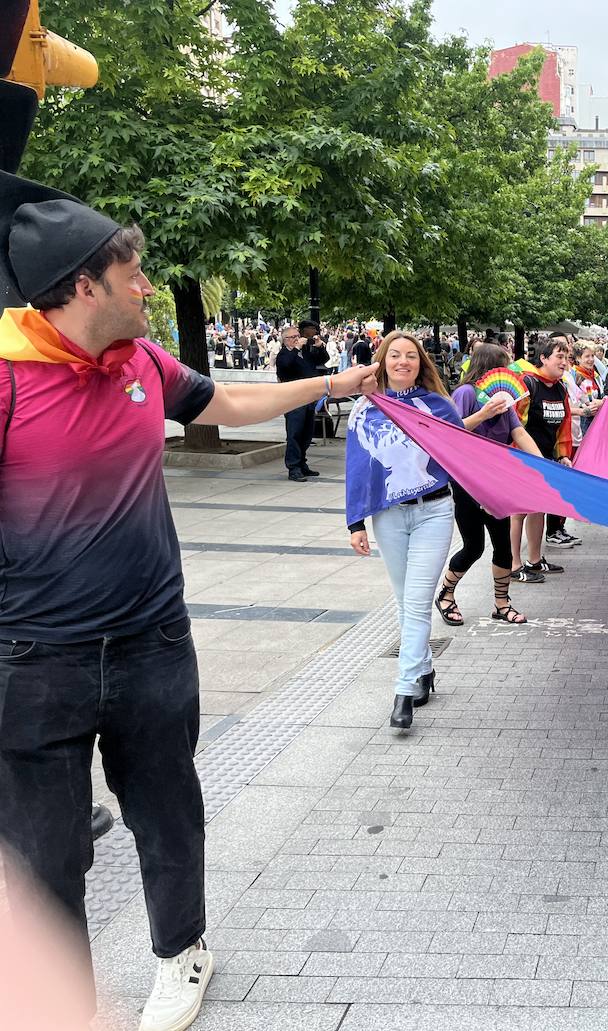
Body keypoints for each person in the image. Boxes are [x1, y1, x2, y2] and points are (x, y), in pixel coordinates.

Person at [0, 172, 378, 1031]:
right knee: (45, 853)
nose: (147, 285)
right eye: (132, 272)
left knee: (168, 811)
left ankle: (183, 954)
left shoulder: (142, 362)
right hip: (34, 659)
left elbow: (226, 399)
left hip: (151, 643)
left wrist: (330, 385)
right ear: (82, 286)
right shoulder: (9, 379)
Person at [345, 331, 458, 731]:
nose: (403, 362)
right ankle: (424, 669)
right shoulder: (365, 409)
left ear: (420, 363)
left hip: (435, 512)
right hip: (388, 515)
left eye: (411, 356)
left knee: (415, 600)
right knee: (404, 600)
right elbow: (358, 467)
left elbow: (462, 454)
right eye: (395, 355)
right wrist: (355, 521)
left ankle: (404, 688)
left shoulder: (439, 407)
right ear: (382, 361)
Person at [433, 343, 547, 629]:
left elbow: (518, 433)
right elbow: (451, 431)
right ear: (490, 366)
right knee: (473, 546)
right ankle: (446, 594)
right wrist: (484, 413)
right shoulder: (466, 393)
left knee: (503, 545)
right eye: (504, 365)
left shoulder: (503, 397)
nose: (509, 371)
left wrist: (544, 465)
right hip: (467, 481)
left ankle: (502, 604)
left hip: (494, 480)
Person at [513, 335, 576, 578]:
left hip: (546, 460)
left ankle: (535, 560)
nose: (564, 362)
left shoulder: (561, 388)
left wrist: (562, 455)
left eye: (566, 358)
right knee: (518, 511)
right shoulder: (528, 384)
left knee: (539, 507)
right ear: (543, 358)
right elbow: (515, 424)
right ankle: (513, 564)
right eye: (559, 357)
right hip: (523, 458)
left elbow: (564, 425)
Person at [275, 324, 321, 481]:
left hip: (308, 398)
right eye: (293, 337)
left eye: (297, 336)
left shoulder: (303, 354)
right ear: (286, 340)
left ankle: (302, 463)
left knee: (307, 434)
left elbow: (322, 361)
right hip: (293, 400)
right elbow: (285, 366)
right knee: (295, 433)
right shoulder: (284, 355)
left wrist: (320, 347)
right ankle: (293, 468)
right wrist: (296, 349)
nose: (297, 339)